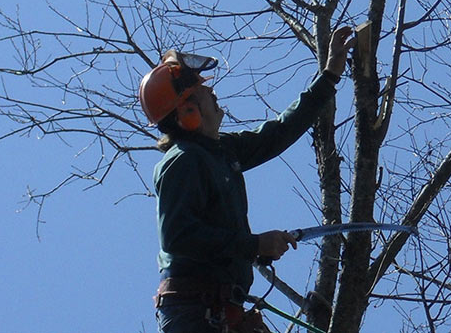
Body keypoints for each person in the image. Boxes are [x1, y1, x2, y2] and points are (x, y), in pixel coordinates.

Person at [139, 26, 355, 333]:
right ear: (188, 112)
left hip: (222, 309)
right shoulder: (183, 161)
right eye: (203, 91)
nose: (212, 93)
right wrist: (253, 244)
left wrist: (330, 76)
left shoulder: (222, 151)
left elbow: (278, 133)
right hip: (195, 313)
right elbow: (179, 237)